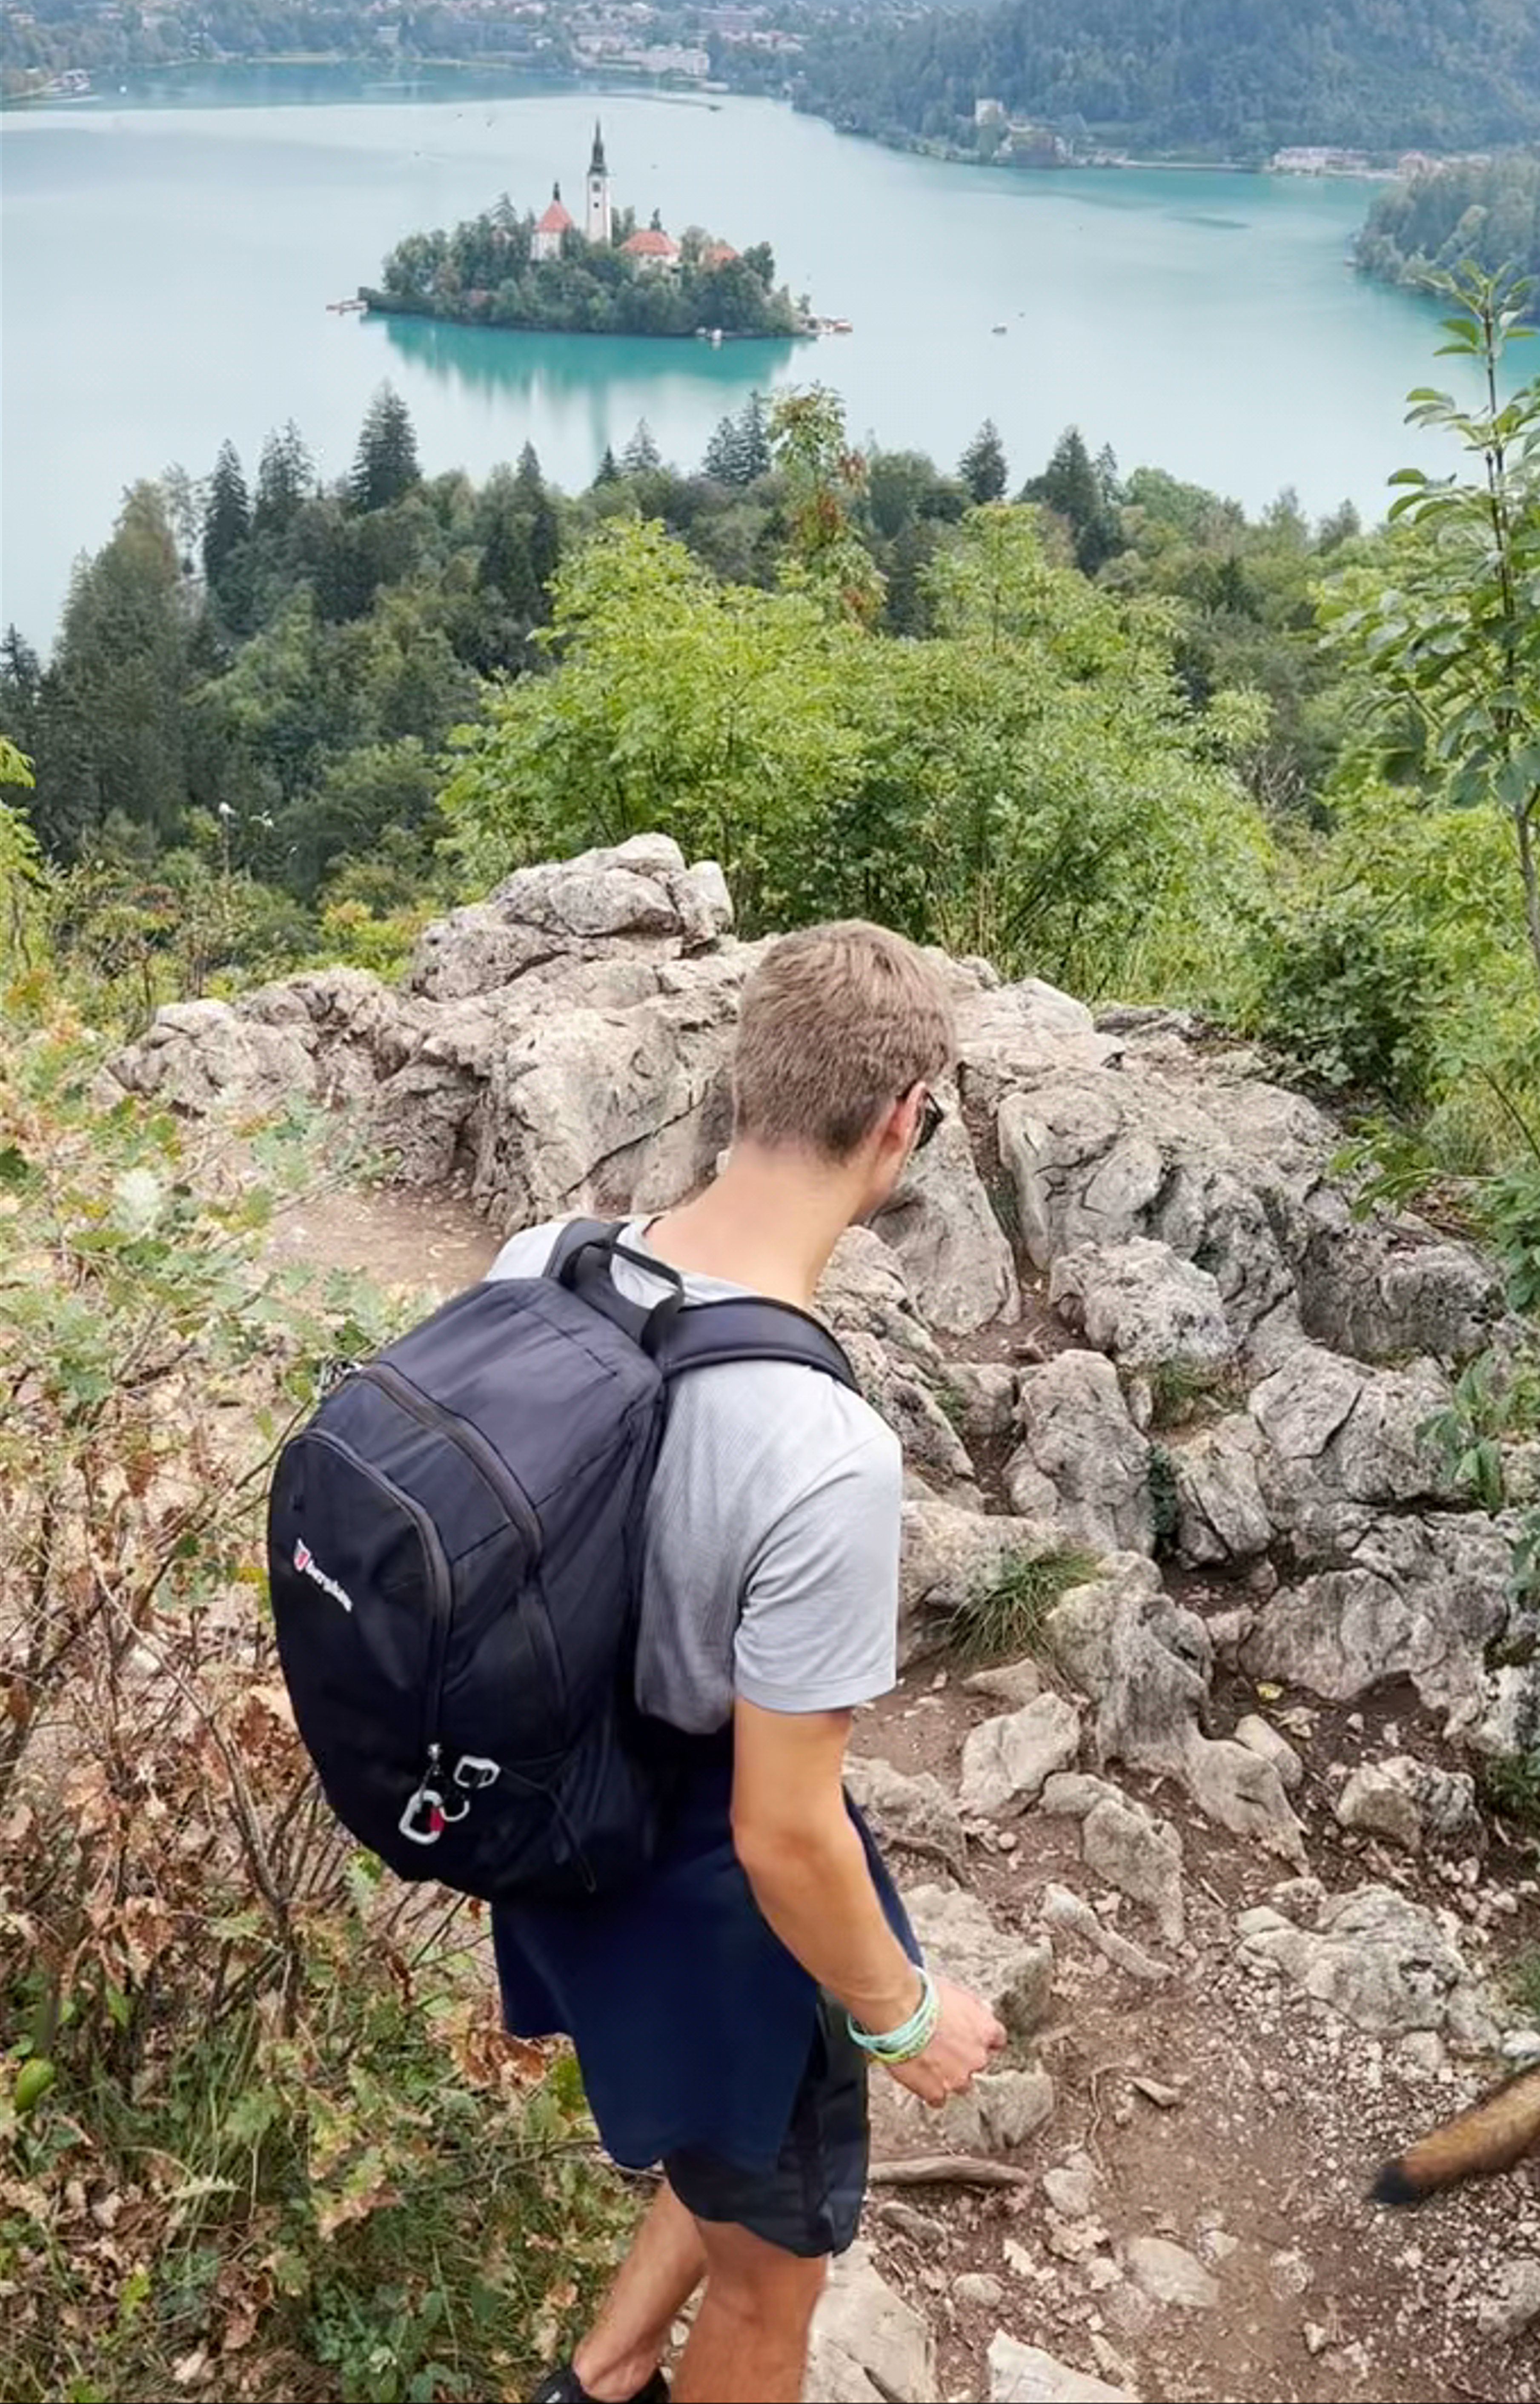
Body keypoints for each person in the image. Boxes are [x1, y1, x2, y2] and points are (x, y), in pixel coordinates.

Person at [486, 920, 1006, 2404]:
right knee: (775, 2288)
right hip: (714, 1922)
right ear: (905, 1118)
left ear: (745, 1077)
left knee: (726, 2153)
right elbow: (784, 1832)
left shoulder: (549, 1261)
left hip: (561, 1852)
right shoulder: (823, 1449)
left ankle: (601, 2373)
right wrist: (905, 2015)